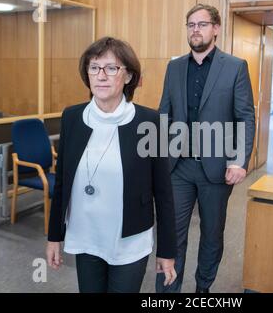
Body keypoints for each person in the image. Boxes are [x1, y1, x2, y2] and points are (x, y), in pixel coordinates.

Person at [46, 37, 177, 293]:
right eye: (94, 67)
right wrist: (54, 237)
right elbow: (61, 182)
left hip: (128, 240)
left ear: (128, 76)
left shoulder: (149, 122)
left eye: (112, 68)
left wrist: (167, 250)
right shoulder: (72, 117)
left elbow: (163, 193)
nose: (101, 75)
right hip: (85, 235)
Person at [156, 4, 255, 293]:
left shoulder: (235, 67)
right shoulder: (174, 67)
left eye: (201, 24)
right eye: (190, 24)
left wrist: (239, 160)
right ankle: (166, 294)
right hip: (178, 166)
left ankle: (203, 290)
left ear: (216, 28)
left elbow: (245, 117)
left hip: (217, 168)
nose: (195, 29)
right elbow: (165, 114)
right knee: (172, 235)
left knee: (212, 235)